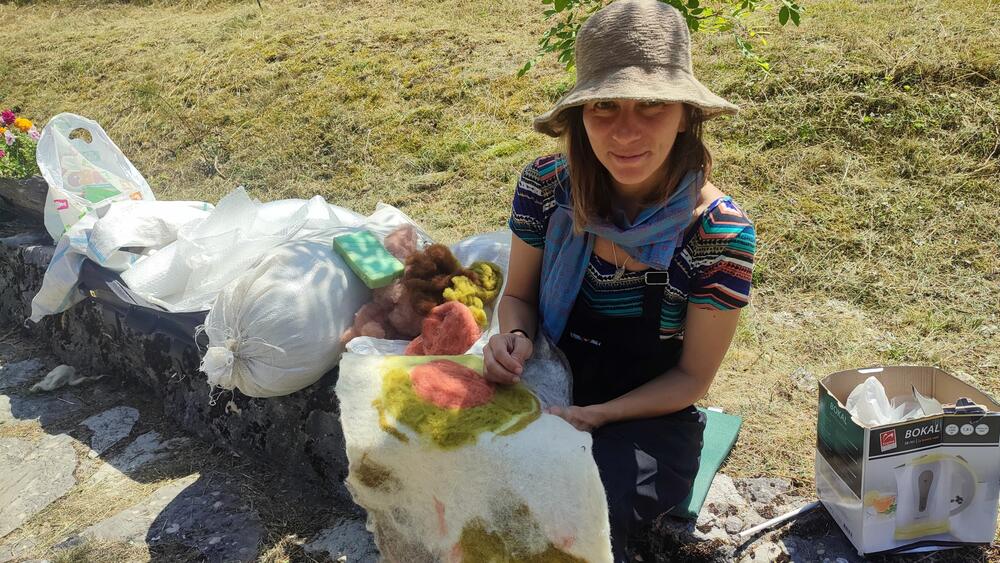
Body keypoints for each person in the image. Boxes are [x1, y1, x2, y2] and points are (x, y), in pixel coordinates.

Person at [482, 0, 756, 560]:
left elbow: (690, 378)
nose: (626, 131)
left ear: (686, 114)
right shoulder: (545, 188)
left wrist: (601, 415)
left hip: (647, 417)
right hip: (544, 383)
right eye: (604, 105)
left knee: (580, 506)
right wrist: (512, 339)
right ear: (580, 115)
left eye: (652, 106)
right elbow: (517, 297)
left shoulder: (717, 235)